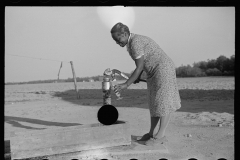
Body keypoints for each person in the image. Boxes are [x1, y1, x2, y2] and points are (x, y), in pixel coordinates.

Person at [111, 22, 181, 146]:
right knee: (154, 102)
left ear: (125, 34)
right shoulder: (131, 43)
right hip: (153, 72)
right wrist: (136, 77)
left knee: (163, 101)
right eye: (115, 41)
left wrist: (127, 84)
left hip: (162, 69)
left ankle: (160, 136)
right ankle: (151, 133)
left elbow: (139, 67)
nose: (117, 42)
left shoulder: (135, 43)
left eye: (118, 39)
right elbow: (141, 65)